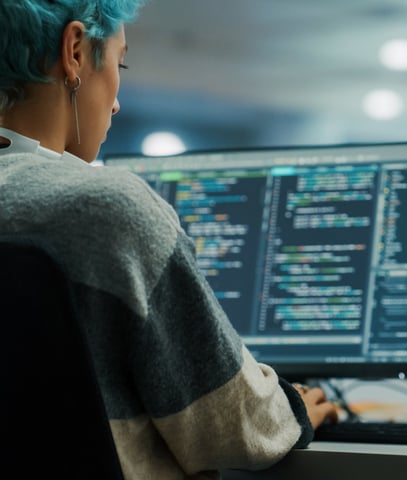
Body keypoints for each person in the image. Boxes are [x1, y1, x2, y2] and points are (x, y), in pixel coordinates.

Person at [0, 1, 338, 479]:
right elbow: (231, 430)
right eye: (119, 64)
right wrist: (293, 409)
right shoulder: (107, 207)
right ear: (75, 52)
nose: (116, 101)